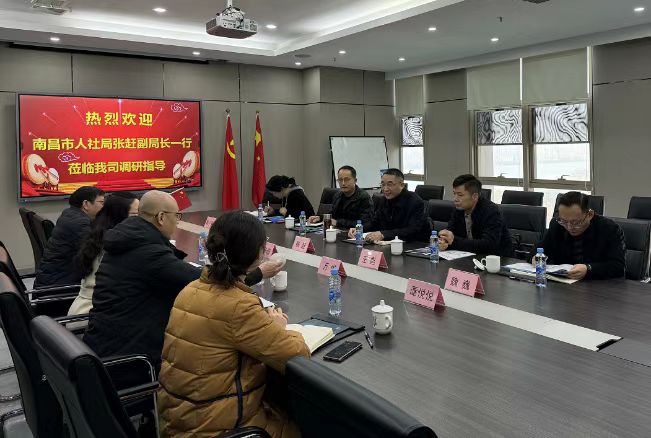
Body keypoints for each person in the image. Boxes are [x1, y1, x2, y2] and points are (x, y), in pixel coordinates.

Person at [84, 191, 285, 371]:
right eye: (177, 216)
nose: (178, 222)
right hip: (133, 359)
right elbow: (209, 283)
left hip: (107, 344)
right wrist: (257, 273)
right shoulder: (147, 252)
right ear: (161, 217)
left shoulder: (130, 239)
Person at [158, 211, 309, 438]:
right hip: (219, 429)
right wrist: (278, 327)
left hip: (177, 420)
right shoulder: (239, 306)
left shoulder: (190, 289)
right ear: (257, 254)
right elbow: (297, 354)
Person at [68, 192, 139, 317]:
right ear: (119, 216)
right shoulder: (115, 246)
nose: (141, 220)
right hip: (92, 316)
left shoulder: (99, 236)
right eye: (135, 215)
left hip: (82, 310)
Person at [536, 191, 626, 280]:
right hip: (562, 283)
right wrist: (536, 257)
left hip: (596, 285)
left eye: (576, 222)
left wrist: (588, 269)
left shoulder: (609, 229)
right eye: (564, 221)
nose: (569, 227)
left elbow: (618, 267)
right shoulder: (557, 225)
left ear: (590, 215)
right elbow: (539, 250)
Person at [34, 186, 105, 288]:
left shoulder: (69, 213)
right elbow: (96, 253)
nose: (104, 207)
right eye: (101, 202)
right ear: (86, 204)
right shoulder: (80, 223)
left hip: (52, 278)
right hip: (60, 285)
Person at [347, 168, 429, 242]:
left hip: (414, 244)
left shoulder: (415, 202)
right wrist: (360, 229)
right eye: (383, 184)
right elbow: (375, 222)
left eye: (390, 184)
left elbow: (412, 230)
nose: (385, 189)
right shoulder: (383, 200)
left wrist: (384, 234)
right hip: (389, 243)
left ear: (402, 185)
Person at [439, 174, 512, 256]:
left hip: (497, 259)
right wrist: (444, 241)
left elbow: (489, 244)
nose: (455, 199)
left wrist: (454, 241)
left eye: (460, 195)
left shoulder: (491, 211)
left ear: (475, 196)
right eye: (454, 194)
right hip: (468, 256)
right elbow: (450, 232)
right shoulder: (458, 209)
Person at [308, 165, 373, 229]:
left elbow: (366, 223)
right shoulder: (338, 195)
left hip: (354, 233)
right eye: (340, 180)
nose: (343, 183)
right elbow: (333, 213)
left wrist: (337, 223)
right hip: (338, 231)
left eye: (347, 179)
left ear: (355, 180)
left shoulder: (364, 197)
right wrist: (320, 217)